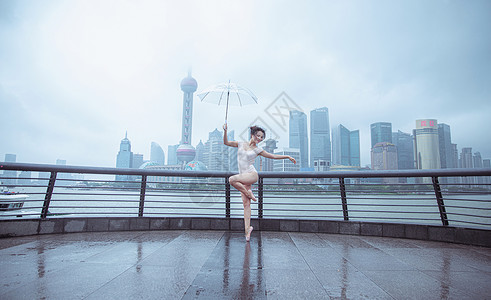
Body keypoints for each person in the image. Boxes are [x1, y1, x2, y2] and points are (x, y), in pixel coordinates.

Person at [223, 123, 296, 241]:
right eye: (258, 136)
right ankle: (247, 230)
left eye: (262, 137)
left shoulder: (258, 149)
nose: (260, 139)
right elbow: (226, 142)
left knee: (231, 179)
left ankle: (249, 193)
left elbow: (272, 156)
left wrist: (287, 156)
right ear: (252, 135)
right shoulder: (240, 144)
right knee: (246, 205)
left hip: (251, 175)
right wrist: (225, 131)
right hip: (243, 177)